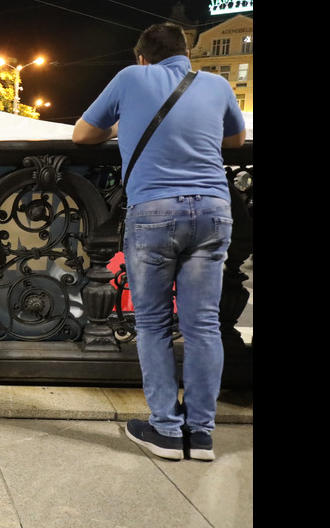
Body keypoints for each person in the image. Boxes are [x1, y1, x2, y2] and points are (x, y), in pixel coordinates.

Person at [72, 24, 246, 461]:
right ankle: (201, 434)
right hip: (212, 210)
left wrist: (121, 131)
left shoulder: (132, 78)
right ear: (187, 53)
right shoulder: (218, 83)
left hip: (154, 211)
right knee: (203, 325)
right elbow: (236, 142)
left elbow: (82, 135)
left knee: (151, 322)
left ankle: (166, 430)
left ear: (142, 57)